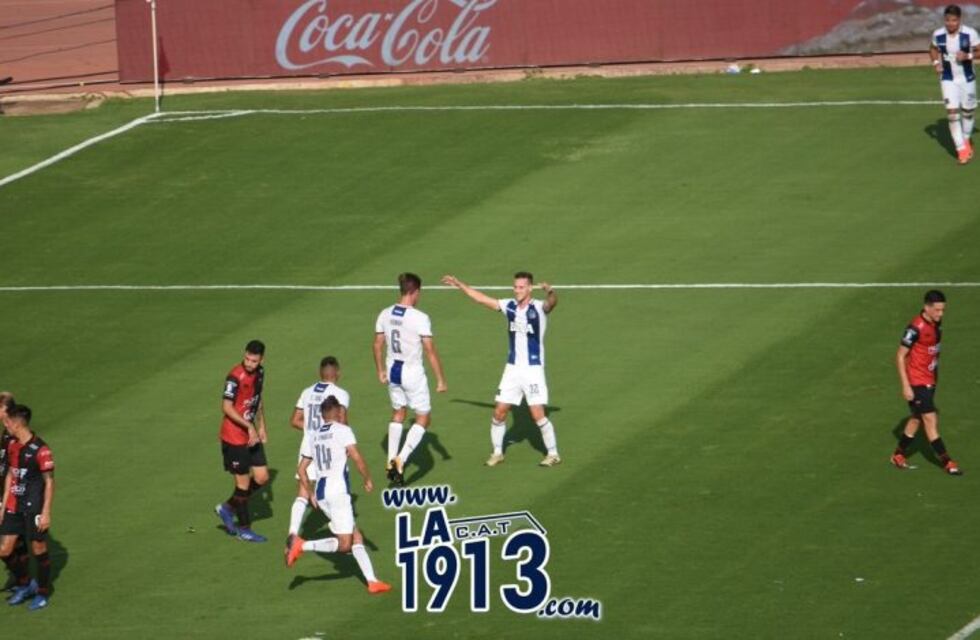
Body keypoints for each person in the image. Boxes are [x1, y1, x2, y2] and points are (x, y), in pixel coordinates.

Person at [442, 272, 561, 467]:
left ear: (530, 288)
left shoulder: (539, 308)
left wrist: (550, 291)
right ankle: (497, 453)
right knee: (499, 412)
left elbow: (552, 303)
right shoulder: (509, 306)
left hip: (532, 370)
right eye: (515, 287)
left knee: (537, 414)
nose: (517, 290)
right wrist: (459, 284)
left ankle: (553, 454)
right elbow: (481, 299)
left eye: (521, 287)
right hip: (512, 369)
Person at [285, 396, 391, 594]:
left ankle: (372, 581)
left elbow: (301, 469)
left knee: (355, 535)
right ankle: (302, 545)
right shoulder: (342, 431)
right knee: (345, 544)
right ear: (336, 412)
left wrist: (310, 493)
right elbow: (357, 457)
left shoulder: (314, 435)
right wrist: (367, 478)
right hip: (338, 493)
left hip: (322, 493)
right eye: (340, 410)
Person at [373, 273, 447, 485]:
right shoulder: (420, 317)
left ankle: (390, 460)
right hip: (412, 372)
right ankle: (400, 460)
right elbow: (430, 350)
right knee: (423, 417)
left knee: (398, 412)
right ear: (414, 292)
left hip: (392, 370)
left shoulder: (385, 313)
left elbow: (377, 344)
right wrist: (440, 379)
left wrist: (380, 370)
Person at [891, 290, 961, 475]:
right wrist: (905, 385)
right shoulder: (915, 328)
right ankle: (948, 462)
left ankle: (898, 455)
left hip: (930, 379)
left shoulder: (936, 323)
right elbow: (900, 356)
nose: (941, 314)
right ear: (926, 307)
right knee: (930, 419)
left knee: (917, 418)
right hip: (917, 381)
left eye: (943, 310)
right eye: (937, 310)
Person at [286, 356, 350, 552]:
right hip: (329, 449)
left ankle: (292, 534)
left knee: (303, 493)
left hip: (309, 446)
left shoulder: (307, 392)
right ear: (338, 373)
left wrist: (311, 431)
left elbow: (295, 420)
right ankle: (344, 534)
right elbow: (342, 423)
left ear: (320, 373)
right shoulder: (340, 394)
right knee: (336, 489)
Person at [214, 340, 270, 542]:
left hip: (251, 434)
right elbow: (226, 407)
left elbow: (257, 398)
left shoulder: (260, 372)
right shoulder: (235, 377)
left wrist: (261, 425)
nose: (249, 363)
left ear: (261, 360)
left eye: (254, 361)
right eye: (247, 359)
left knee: (262, 478)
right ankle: (244, 529)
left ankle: (227, 508)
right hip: (234, 437)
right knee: (243, 484)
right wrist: (249, 426)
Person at [0, 405, 55, 610]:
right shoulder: (12, 445)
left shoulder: (41, 450)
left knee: (38, 548)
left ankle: (42, 592)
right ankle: (26, 583)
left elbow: (49, 482)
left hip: (34, 507)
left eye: (8, 422)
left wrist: (46, 512)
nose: (6, 426)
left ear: (17, 424)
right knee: (4, 550)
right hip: (14, 504)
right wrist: (3, 506)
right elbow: (11, 474)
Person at [930, 4, 980, 164]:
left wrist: (968, 56)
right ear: (944, 20)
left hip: (967, 78)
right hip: (948, 78)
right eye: (948, 20)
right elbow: (933, 49)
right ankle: (961, 150)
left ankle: (965, 139)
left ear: (960, 20)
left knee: (968, 111)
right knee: (952, 113)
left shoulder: (970, 33)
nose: (950, 24)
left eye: (954, 20)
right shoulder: (938, 34)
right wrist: (936, 63)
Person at [0, 393, 28, 593]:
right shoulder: (6, 432)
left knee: (7, 544)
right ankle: (21, 579)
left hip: (11, 493)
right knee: (15, 540)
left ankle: (24, 579)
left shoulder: (16, 434)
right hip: (4, 489)